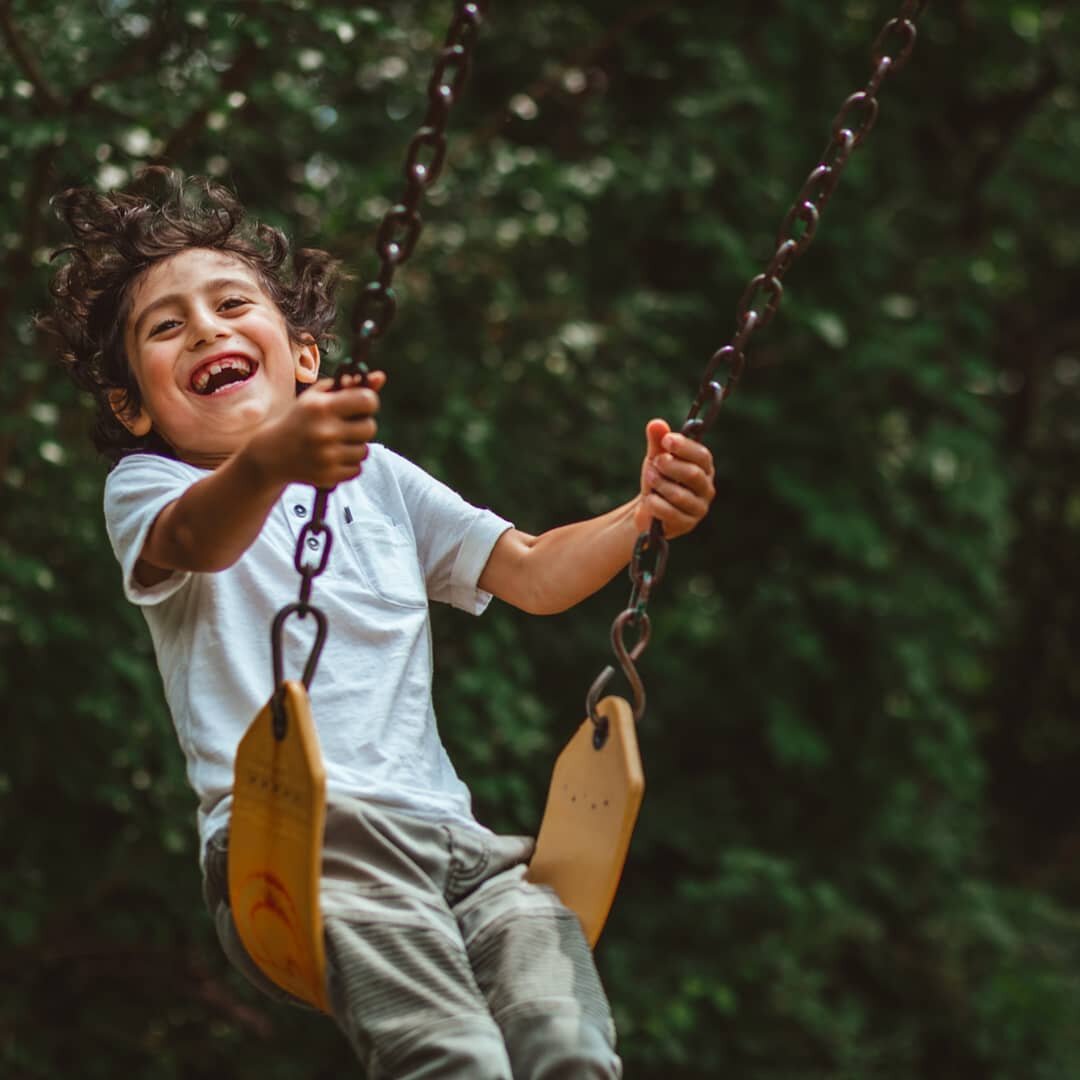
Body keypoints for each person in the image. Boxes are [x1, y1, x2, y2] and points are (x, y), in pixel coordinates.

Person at [42, 168, 716, 1079]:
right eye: (167, 327)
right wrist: (275, 458)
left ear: (304, 357)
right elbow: (195, 543)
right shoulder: (154, 487)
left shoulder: (379, 477)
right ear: (134, 406)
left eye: (233, 303)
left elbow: (530, 573)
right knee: (453, 1053)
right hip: (300, 836)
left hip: (463, 850)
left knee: (561, 1026)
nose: (205, 327)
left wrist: (639, 517)